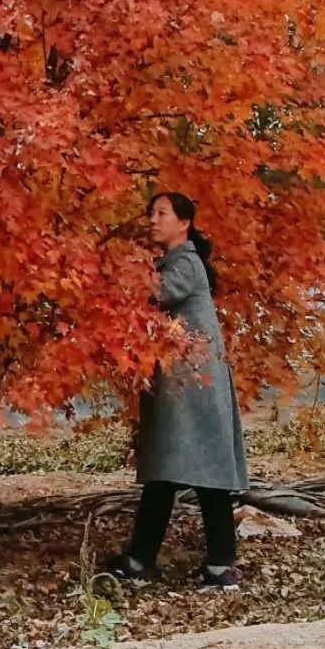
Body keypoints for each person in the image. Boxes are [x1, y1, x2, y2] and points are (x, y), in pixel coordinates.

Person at [105, 191, 248, 592]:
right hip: (180, 385)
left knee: (205, 473)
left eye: (161, 214)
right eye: (150, 212)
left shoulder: (185, 263)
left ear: (183, 223)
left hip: (196, 386)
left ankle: (220, 567)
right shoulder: (173, 262)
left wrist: (118, 272)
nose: (153, 220)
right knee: (166, 471)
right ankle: (141, 560)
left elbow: (155, 294)